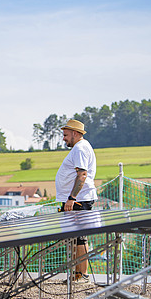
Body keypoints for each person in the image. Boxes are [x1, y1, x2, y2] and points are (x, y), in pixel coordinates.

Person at [55, 119, 97, 282]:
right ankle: (77, 274)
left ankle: (81, 274)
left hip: (78, 200)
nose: (64, 138)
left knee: (79, 238)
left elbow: (82, 175)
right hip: (76, 199)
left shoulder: (80, 148)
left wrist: (71, 198)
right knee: (75, 237)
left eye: (65, 135)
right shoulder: (81, 148)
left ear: (74, 133)